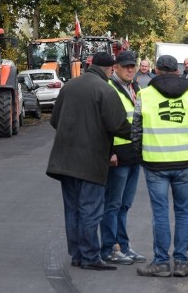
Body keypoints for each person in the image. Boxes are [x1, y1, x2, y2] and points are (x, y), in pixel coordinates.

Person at [46, 51, 132, 271]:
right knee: (90, 210)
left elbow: (55, 120)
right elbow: (118, 125)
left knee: (72, 209)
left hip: (64, 161)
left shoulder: (69, 86)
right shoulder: (105, 89)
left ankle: (77, 254)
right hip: (91, 161)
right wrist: (136, 135)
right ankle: (90, 256)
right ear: (111, 68)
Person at [131, 54, 188, 278]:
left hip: (155, 163)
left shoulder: (145, 95)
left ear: (155, 69)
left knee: (161, 212)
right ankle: (181, 263)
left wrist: (142, 155)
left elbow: (136, 130)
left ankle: (161, 262)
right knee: (184, 212)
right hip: (184, 162)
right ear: (177, 70)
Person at [100, 51, 147, 266]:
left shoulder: (134, 87)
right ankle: (109, 248)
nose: (130, 70)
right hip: (117, 157)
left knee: (124, 205)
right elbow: (103, 125)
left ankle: (124, 247)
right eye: (126, 66)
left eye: (132, 66)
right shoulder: (110, 89)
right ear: (115, 67)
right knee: (113, 204)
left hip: (133, 154)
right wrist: (110, 152)